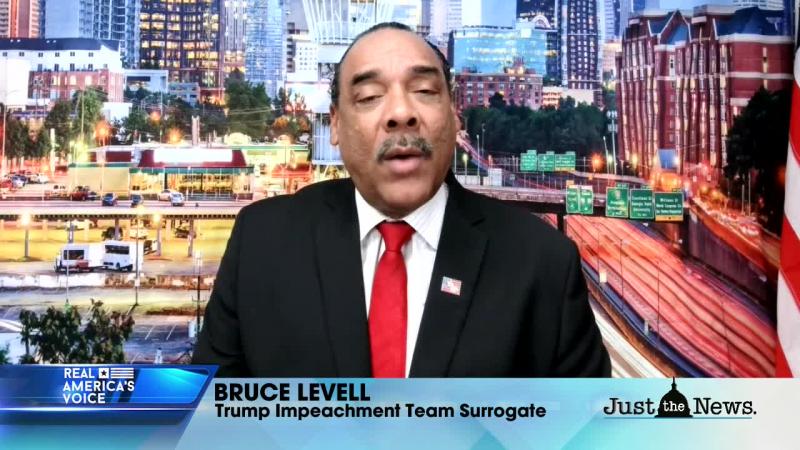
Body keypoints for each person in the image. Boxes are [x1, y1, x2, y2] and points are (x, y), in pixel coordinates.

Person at [193, 22, 610, 377]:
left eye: (424, 90)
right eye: (369, 97)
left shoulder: (542, 263)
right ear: (335, 124)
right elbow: (205, 421)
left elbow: (586, 430)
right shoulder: (262, 242)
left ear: (454, 114)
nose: (400, 113)